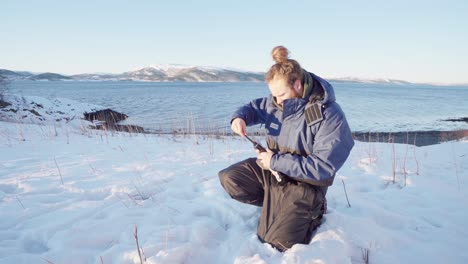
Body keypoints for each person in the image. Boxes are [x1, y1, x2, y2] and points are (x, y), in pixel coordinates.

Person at [218, 46, 354, 251]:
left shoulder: (329, 115)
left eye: (281, 94)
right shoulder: (275, 102)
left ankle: (313, 211)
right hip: (274, 174)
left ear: (297, 84)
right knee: (230, 178)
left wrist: (274, 161)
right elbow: (253, 108)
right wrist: (239, 118)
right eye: (273, 95)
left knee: (274, 242)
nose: (277, 101)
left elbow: (323, 168)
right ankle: (278, 205)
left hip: (306, 185)